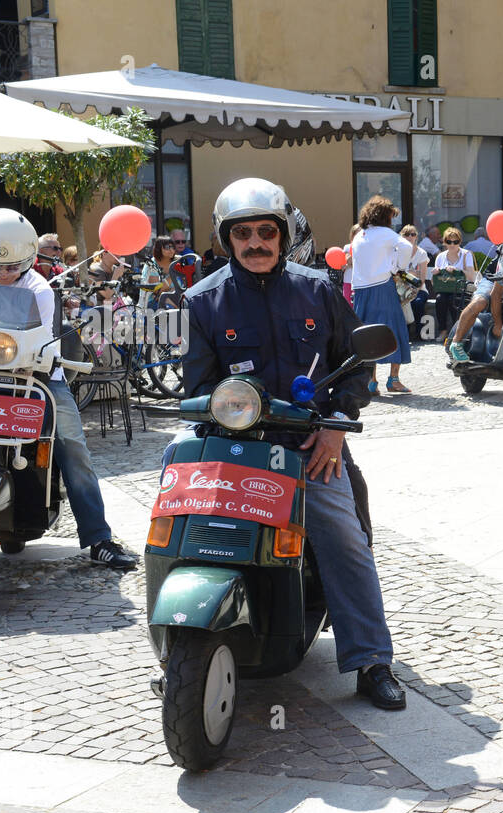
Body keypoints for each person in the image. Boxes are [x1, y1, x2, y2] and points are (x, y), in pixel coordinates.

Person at [180, 177, 405, 710]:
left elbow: (355, 367)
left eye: (266, 231)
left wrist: (333, 425)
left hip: (311, 447)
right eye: (243, 233)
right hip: (237, 450)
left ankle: (371, 659)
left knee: (345, 539)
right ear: (226, 238)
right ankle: (182, 646)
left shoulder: (319, 289)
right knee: (183, 527)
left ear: (282, 235)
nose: (255, 243)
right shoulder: (202, 301)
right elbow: (196, 387)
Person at [0, 210, 136, 569]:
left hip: (36, 378)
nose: (3, 274)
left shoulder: (39, 288)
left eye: (12, 267)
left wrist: (44, 359)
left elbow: (44, 344)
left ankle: (98, 537)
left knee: (72, 444)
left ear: (27, 259)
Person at [349, 195, 413, 394]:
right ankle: (393, 380)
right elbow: (407, 246)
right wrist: (398, 267)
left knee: (367, 336)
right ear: (384, 216)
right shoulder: (385, 233)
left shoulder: (360, 234)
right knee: (393, 329)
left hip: (360, 290)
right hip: (382, 287)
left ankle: (371, 382)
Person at [432, 227, 477, 340]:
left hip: (462, 289)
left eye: (455, 242)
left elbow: (471, 276)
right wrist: (436, 273)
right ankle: (443, 331)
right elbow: (434, 282)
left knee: (454, 299)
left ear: (460, 242)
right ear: (444, 242)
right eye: (449, 241)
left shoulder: (466, 254)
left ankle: (457, 332)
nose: (452, 244)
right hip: (445, 289)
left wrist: (457, 270)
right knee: (440, 299)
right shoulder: (441, 256)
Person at [397, 224, 430, 345]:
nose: (410, 237)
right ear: (402, 237)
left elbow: (421, 280)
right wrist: (411, 274)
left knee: (417, 302)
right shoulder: (398, 252)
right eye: (406, 234)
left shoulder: (421, 253)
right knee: (400, 301)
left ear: (416, 237)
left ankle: (419, 333)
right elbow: (395, 274)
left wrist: (405, 274)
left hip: (418, 289)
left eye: (413, 234)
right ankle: (404, 334)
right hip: (400, 288)